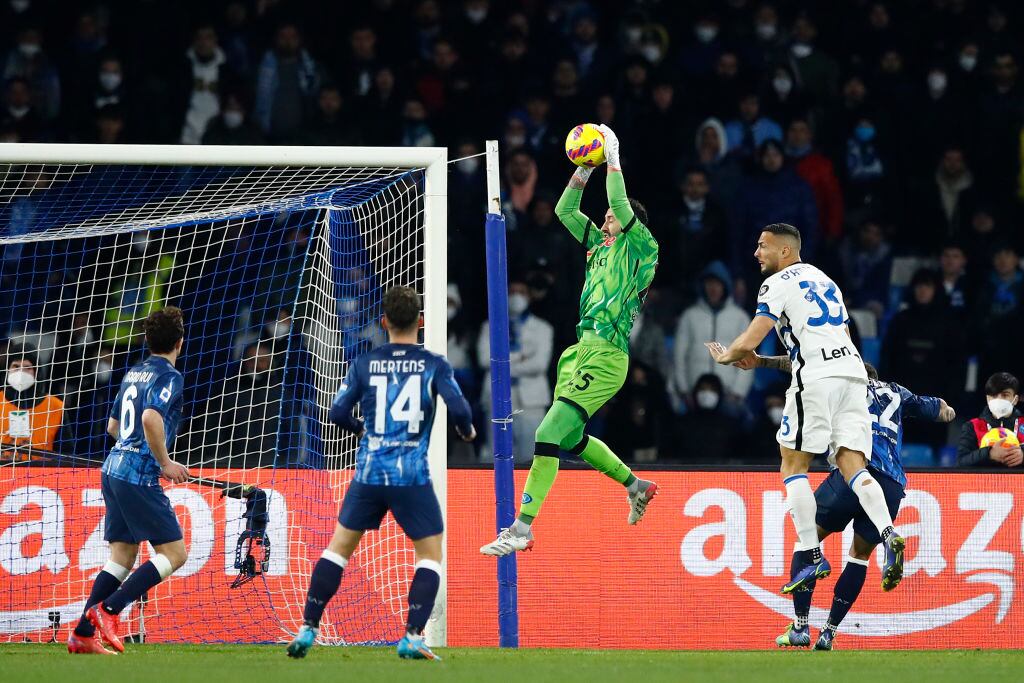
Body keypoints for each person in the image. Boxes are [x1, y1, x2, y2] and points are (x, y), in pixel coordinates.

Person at [480, 124, 659, 557]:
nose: (605, 219)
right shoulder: (600, 245)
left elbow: (619, 200)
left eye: (612, 217)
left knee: (546, 431)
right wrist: (582, 169)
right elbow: (564, 210)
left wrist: (611, 155)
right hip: (579, 351)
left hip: (608, 355)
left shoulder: (641, 246)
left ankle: (522, 527)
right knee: (572, 438)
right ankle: (636, 486)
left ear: (631, 222)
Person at [705, 223, 906, 598]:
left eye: (762, 246)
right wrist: (764, 363)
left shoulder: (775, 284)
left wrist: (726, 357)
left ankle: (812, 553)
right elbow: (829, 343)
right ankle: (889, 532)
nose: (756, 253)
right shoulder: (826, 281)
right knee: (852, 464)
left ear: (785, 251)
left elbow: (753, 334)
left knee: (793, 465)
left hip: (814, 380)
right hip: (853, 374)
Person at [285, 286, 475, 661]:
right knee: (430, 554)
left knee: (338, 549)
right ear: (420, 322)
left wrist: (362, 431)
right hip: (410, 476)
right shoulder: (434, 364)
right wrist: (466, 432)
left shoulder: (364, 364)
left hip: (369, 472)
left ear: (383, 321)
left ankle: (308, 627)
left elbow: (337, 414)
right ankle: (412, 636)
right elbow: (461, 410)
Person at [737, 361, 954, 650]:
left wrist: (762, 361)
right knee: (859, 557)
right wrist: (943, 409)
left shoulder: (842, 385)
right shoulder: (897, 393)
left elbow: (801, 365)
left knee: (807, 537)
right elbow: (944, 411)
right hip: (891, 484)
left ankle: (801, 626)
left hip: (853, 473)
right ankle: (829, 632)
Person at [71, 307, 190, 655]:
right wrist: (165, 462)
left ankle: (81, 633)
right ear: (180, 343)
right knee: (175, 553)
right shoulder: (169, 376)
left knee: (121, 556)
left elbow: (111, 427)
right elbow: (151, 416)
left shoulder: (134, 372)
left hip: (112, 468)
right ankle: (108, 610)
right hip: (137, 473)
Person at [477, 279, 554, 464]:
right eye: (512, 292)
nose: (516, 297)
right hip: (497, 398)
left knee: (532, 456)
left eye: (521, 292)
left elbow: (539, 364)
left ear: (529, 297)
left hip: (531, 401)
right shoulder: (489, 327)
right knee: (495, 456)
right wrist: (521, 357)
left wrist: (503, 361)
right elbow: (484, 359)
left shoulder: (543, 328)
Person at [673, 261, 753, 404]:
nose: (713, 288)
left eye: (718, 284)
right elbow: (679, 356)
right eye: (709, 283)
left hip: (728, 395)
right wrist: (684, 389)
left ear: (725, 286)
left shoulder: (740, 318)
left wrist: (737, 392)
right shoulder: (689, 316)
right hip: (694, 393)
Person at [0, 342, 63, 454]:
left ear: (36, 372)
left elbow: (67, 453)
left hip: (43, 470)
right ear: (7, 369)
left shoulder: (55, 407)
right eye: (16, 366)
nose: (20, 372)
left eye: (27, 367)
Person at [957, 372, 1023, 468]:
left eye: (1005, 395)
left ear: (1015, 399)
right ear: (988, 399)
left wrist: (1023, 456)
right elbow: (961, 463)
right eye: (994, 395)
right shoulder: (972, 426)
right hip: (985, 482)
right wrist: (989, 454)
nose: (999, 399)